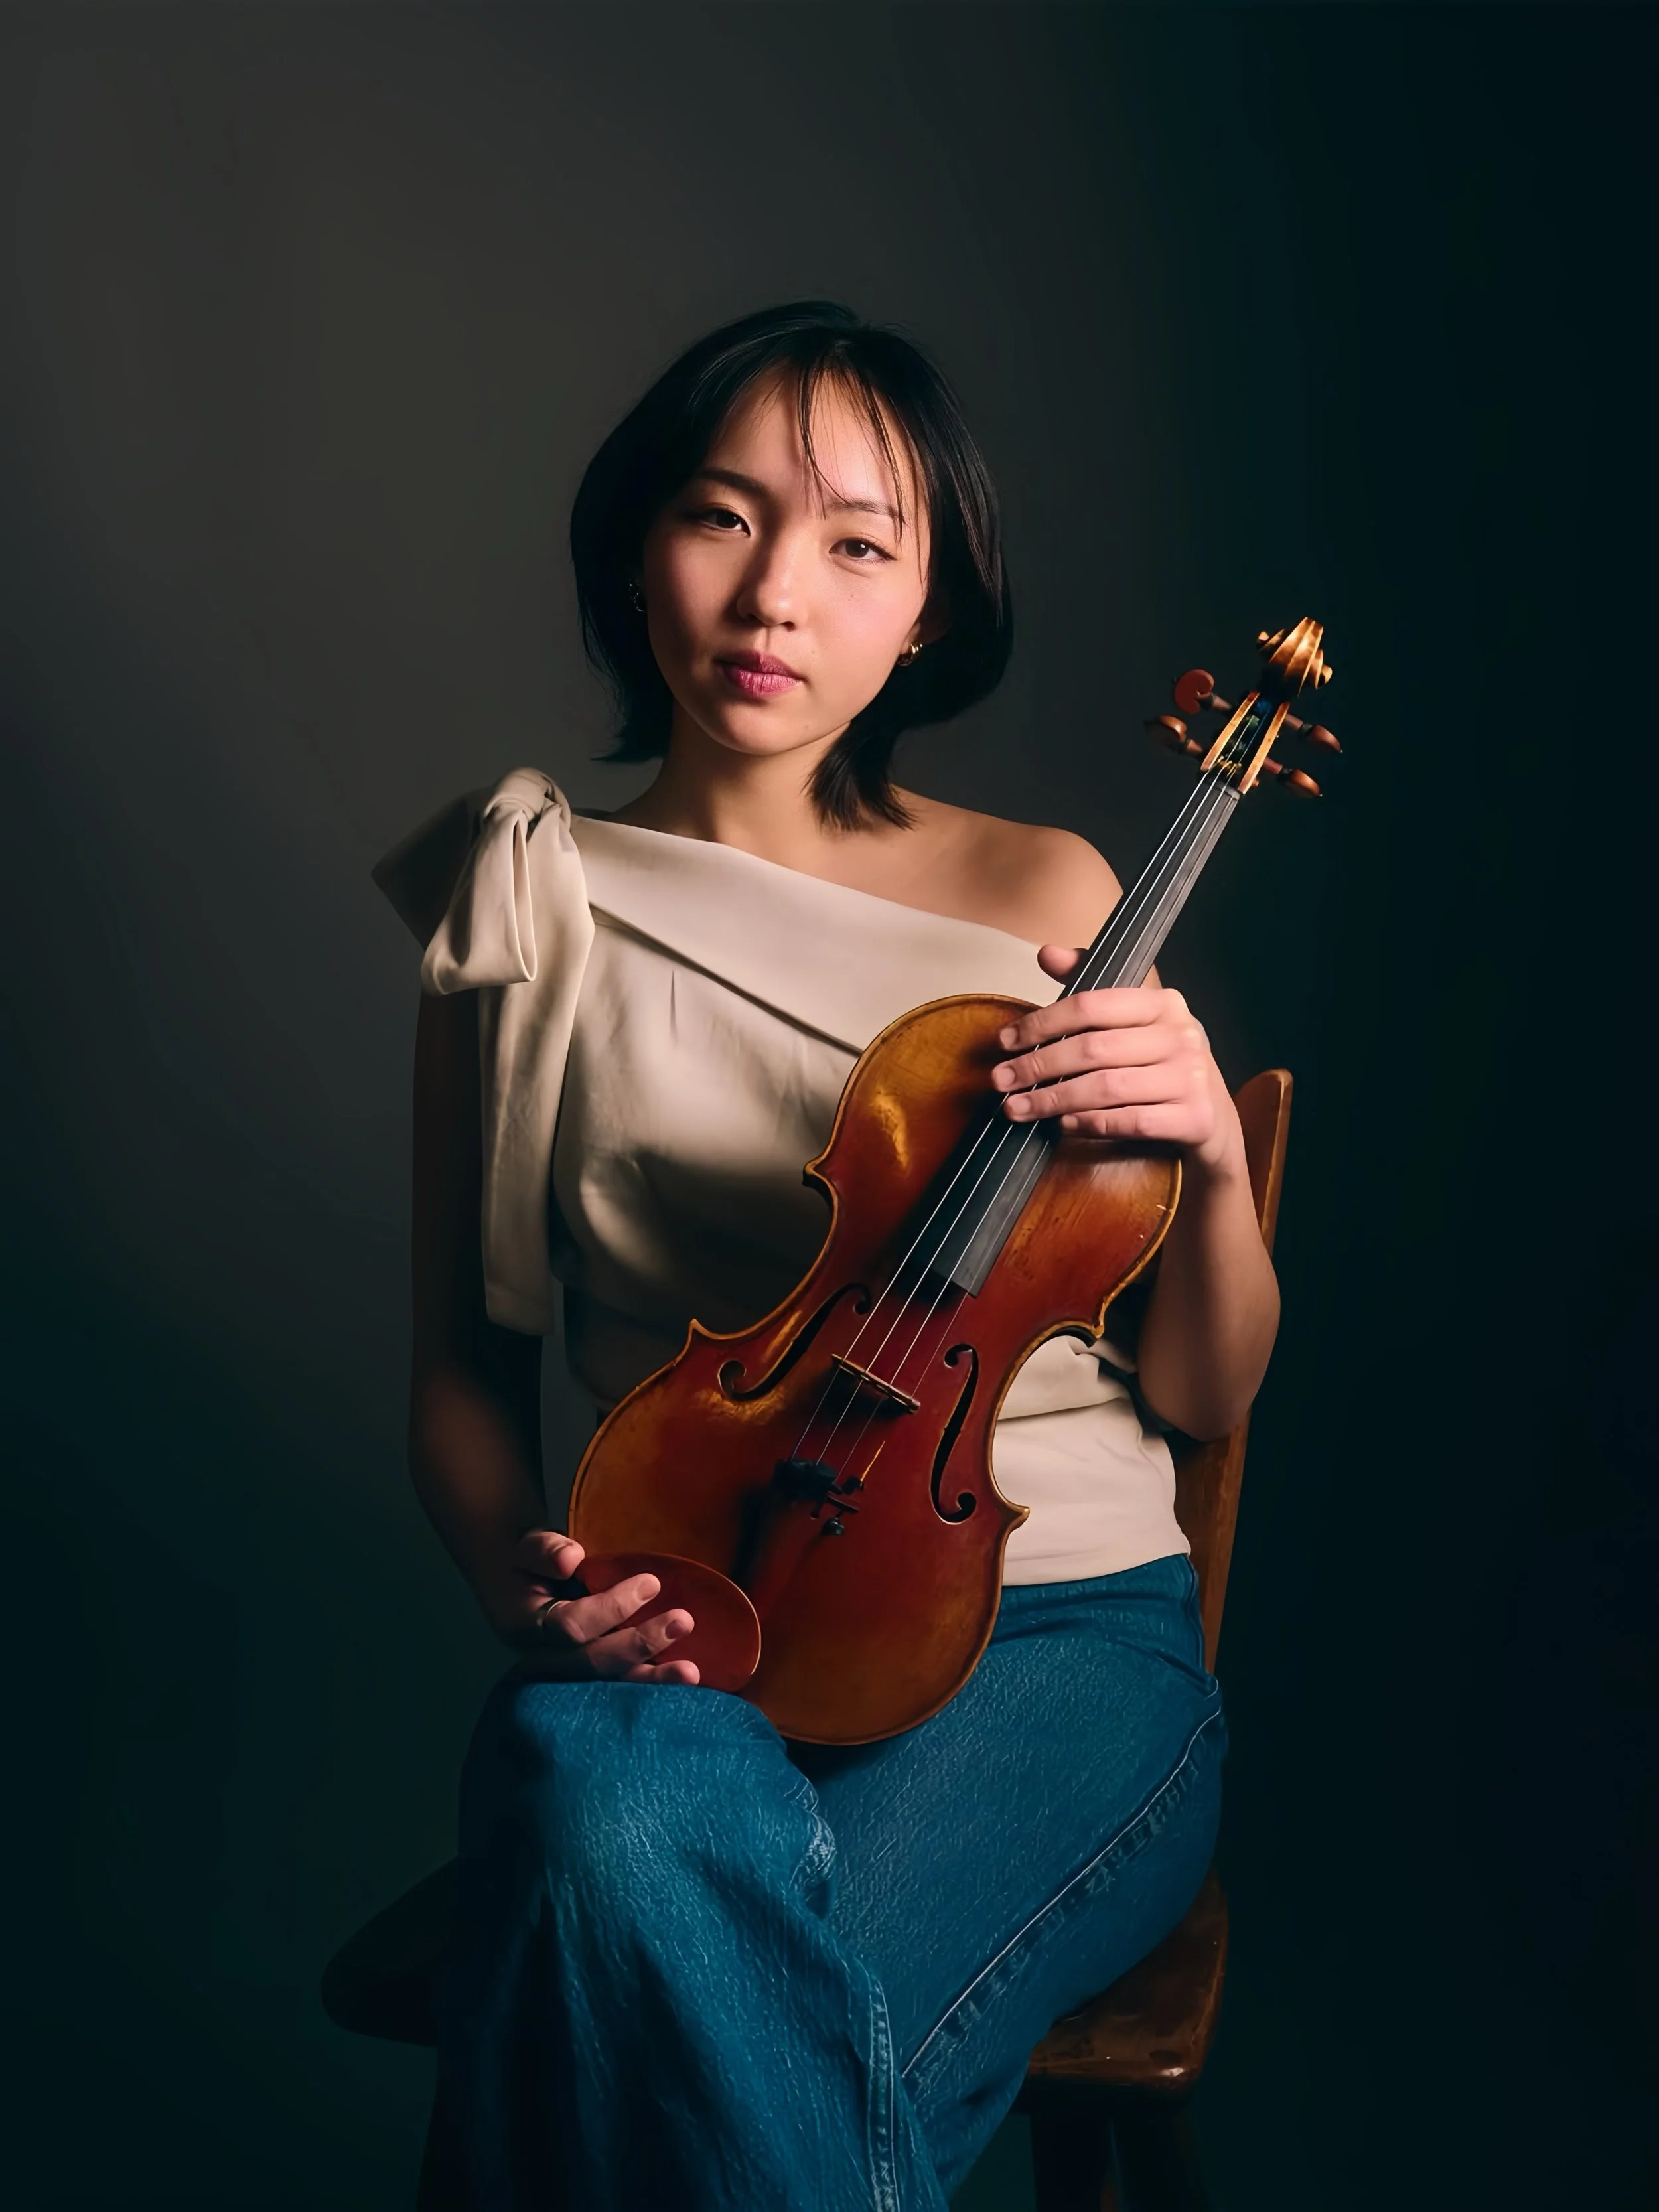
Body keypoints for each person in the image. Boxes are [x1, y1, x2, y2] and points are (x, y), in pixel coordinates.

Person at [370, 299, 1280, 2210]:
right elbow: (461, 1369)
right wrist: (530, 1604)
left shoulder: (1048, 888)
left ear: (927, 608)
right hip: (693, 1623)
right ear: (640, 550)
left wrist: (1202, 1145)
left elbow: (1197, 1389)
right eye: (720, 517)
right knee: (616, 1801)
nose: (775, 590)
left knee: (607, 1934)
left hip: (1055, 1628)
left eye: (856, 542)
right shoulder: (529, 889)